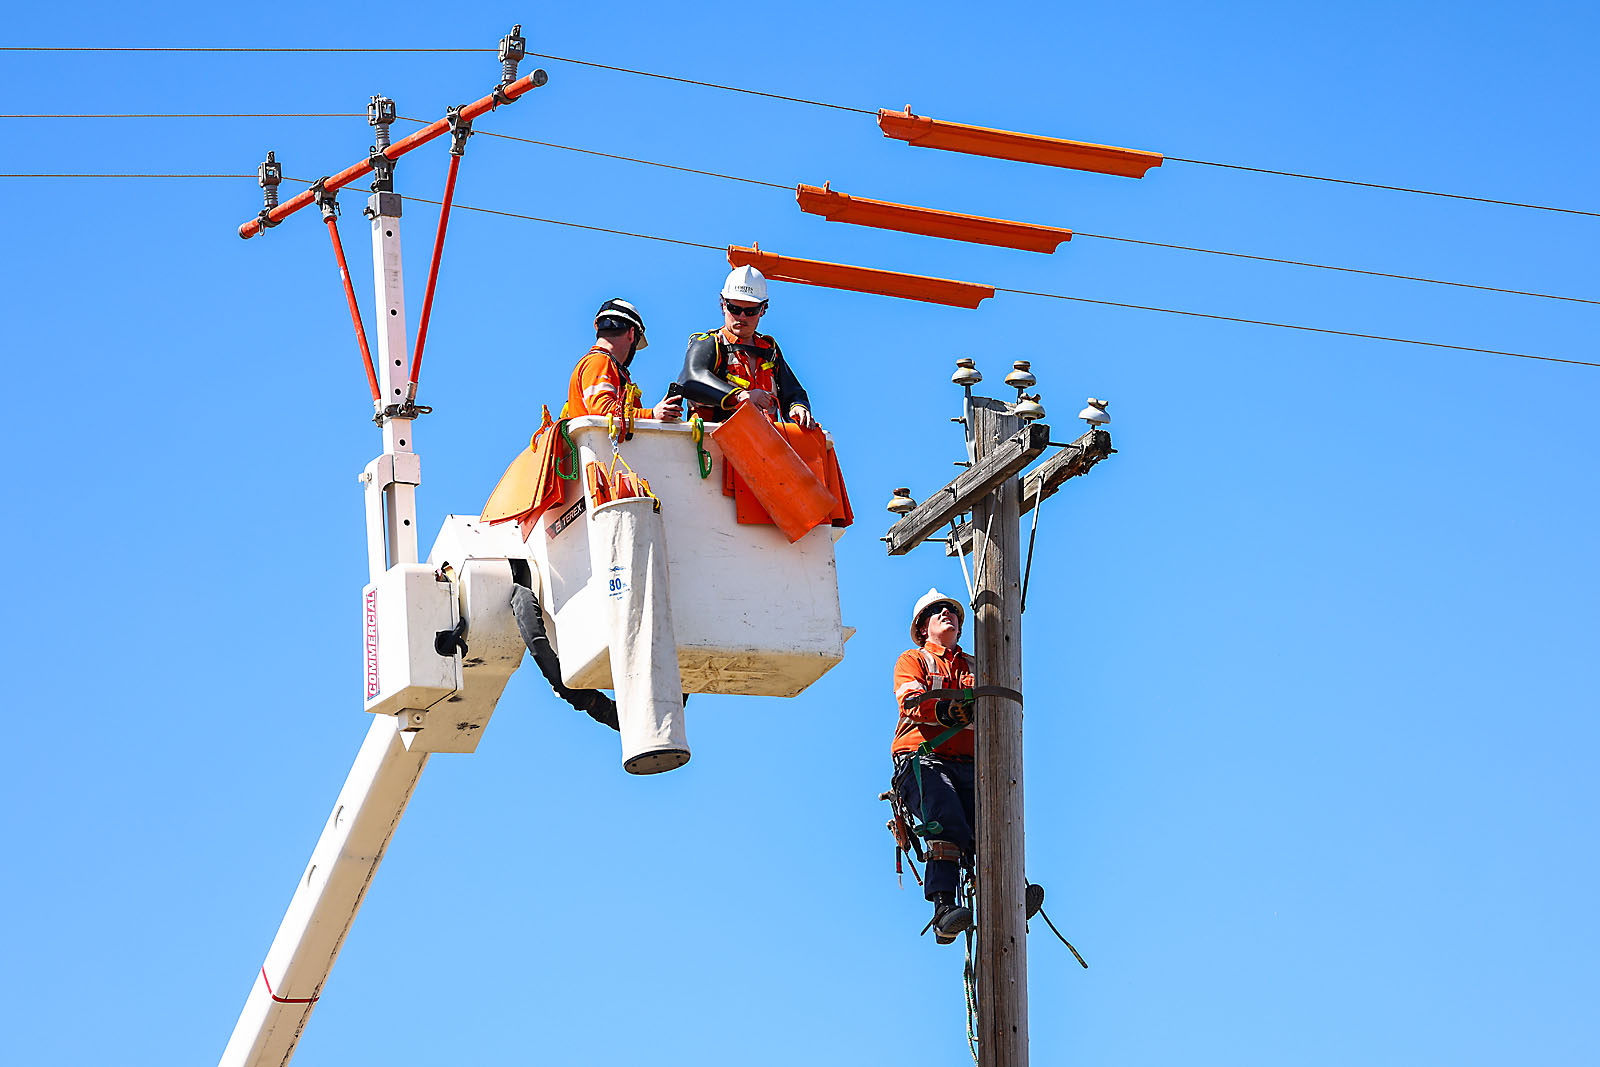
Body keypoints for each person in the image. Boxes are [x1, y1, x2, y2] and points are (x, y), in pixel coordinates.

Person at [891, 588, 979, 944]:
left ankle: (1005, 891)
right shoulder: (914, 660)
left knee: (992, 819)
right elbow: (911, 701)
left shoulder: (976, 665)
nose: (948, 613)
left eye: (952, 610)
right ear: (922, 627)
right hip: (922, 758)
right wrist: (943, 711)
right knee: (944, 813)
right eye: (938, 611)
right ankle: (944, 908)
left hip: (970, 762)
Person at [675, 266, 816, 428]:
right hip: (713, 444)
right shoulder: (711, 343)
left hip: (764, 445)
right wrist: (741, 396)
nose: (741, 317)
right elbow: (691, 379)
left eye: (750, 311)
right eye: (734, 309)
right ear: (723, 304)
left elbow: (792, 391)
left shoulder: (769, 350)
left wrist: (797, 407)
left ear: (763, 309)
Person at [565, 298, 683, 422]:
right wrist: (652, 414)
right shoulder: (600, 361)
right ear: (631, 334)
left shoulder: (599, 363)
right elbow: (602, 411)